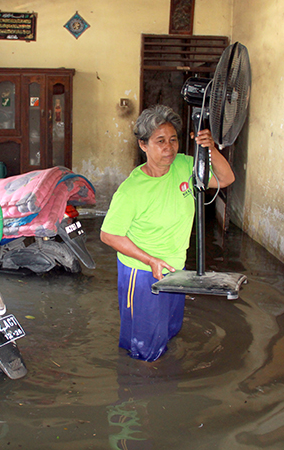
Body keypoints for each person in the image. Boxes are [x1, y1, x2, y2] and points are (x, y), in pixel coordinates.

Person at [100, 105, 235, 362]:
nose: (169, 147)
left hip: (175, 269)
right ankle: (133, 393)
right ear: (143, 145)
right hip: (141, 274)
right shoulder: (132, 190)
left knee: (169, 333)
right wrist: (150, 260)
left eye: (173, 140)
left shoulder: (184, 165)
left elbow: (226, 179)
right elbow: (108, 235)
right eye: (160, 141)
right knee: (143, 347)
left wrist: (211, 149)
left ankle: (160, 386)